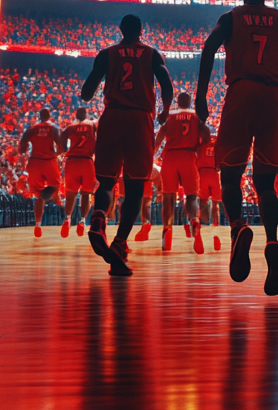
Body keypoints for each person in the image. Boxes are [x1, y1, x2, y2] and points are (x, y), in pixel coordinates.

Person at [196, 0, 278, 296]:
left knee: (230, 177)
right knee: (265, 184)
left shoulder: (232, 17)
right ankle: (273, 242)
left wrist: (200, 96)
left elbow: (208, 48)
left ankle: (237, 228)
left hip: (242, 92)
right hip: (275, 98)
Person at [81, 14, 173, 275]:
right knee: (134, 188)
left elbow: (87, 92)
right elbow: (166, 83)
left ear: (120, 30)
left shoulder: (107, 53)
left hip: (112, 117)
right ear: (141, 31)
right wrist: (165, 110)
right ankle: (120, 243)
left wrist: (94, 87)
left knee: (107, 181)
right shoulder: (151, 54)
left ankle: (98, 217)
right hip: (140, 119)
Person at [154, 92, 208, 253]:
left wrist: (153, 152)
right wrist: (198, 145)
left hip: (170, 157)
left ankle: (166, 230)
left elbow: (160, 136)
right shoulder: (196, 117)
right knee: (191, 196)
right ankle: (193, 221)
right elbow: (206, 136)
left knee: (169, 197)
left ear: (177, 102)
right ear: (190, 102)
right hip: (188, 156)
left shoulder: (169, 116)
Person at [18, 107, 62, 238]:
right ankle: (47, 194)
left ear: (39, 116)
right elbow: (62, 146)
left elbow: (22, 146)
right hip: (49, 161)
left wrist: (24, 152)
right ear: (49, 117)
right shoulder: (54, 128)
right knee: (56, 185)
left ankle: (37, 224)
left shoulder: (32, 129)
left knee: (38, 197)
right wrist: (57, 153)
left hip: (34, 162)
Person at [59, 106, 97, 238]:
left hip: (72, 161)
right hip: (86, 161)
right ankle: (82, 221)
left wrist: (63, 149)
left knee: (70, 195)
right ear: (86, 115)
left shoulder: (71, 127)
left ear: (76, 116)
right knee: (86, 194)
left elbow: (61, 138)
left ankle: (67, 219)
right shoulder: (92, 125)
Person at [197, 123, 223, 251]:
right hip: (214, 172)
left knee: (203, 201)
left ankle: (205, 224)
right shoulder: (218, 141)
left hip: (202, 172)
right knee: (215, 202)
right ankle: (216, 224)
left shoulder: (201, 140)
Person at [134, 161, 162, 242]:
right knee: (146, 207)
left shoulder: (133, 162)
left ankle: (145, 226)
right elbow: (157, 177)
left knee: (142, 207)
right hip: (147, 189)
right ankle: (146, 225)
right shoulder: (151, 165)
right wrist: (159, 190)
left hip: (137, 188)